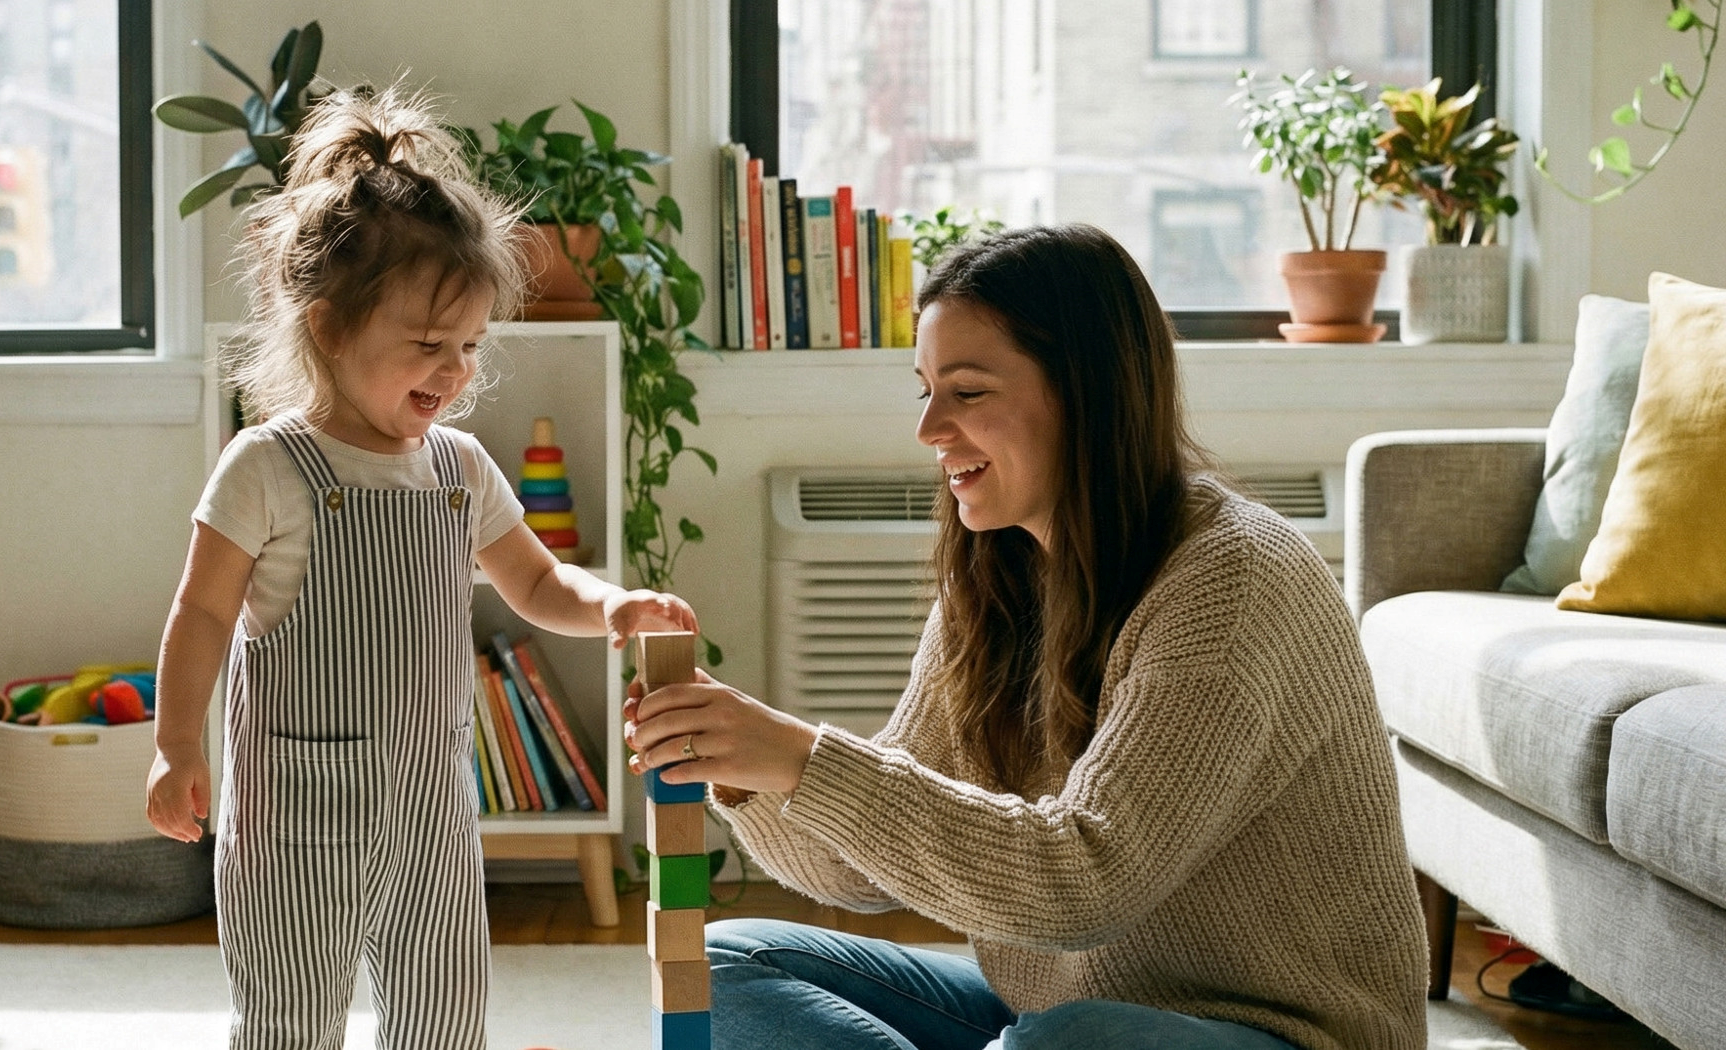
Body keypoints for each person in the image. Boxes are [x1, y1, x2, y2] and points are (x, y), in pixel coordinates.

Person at [625, 224, 1428, 1050]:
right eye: (925, 390)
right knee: (729, 964)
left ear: (1090, 394)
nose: (930, 428)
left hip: (1282, 1034)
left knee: (1066, 1042)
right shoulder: (1000, 577)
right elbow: (860, 873)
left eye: (967, 393)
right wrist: (738, 766)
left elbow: (1085, 886)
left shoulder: (1233, 578)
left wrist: (801, 755)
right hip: (1048, 1015)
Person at [144, 87, 697, 1050]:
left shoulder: (459, 467)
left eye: (472, 347)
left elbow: (536, 583)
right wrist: (177, 745)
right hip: (295, 821)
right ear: (326, 328)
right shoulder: (270, 467)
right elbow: (199, 614)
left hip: (435, 811)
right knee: (289, 1018)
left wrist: (612, 606)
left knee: (445, 1018)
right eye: (429, 345)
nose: (454, 371)